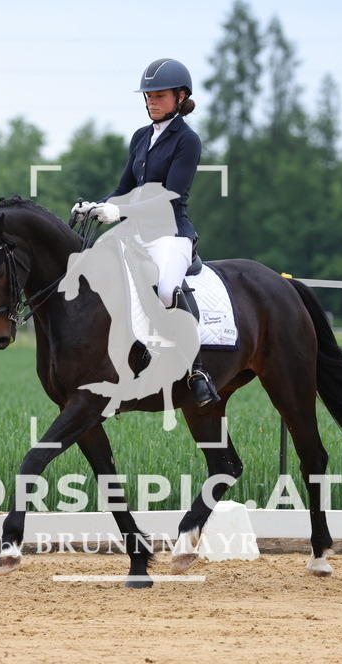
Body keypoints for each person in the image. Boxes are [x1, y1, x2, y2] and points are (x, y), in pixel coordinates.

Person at [71, 57, 219, 407]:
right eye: (148, 95)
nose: (152, 100)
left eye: (160, 95)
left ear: (181, 97)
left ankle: (196, 371)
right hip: (134, 233)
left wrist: (118, 211)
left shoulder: (187, 141)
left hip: (171, 232)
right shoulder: (140, 137)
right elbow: (124, 188)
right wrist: (95, 205)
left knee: (166, 289)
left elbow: (170, 197)